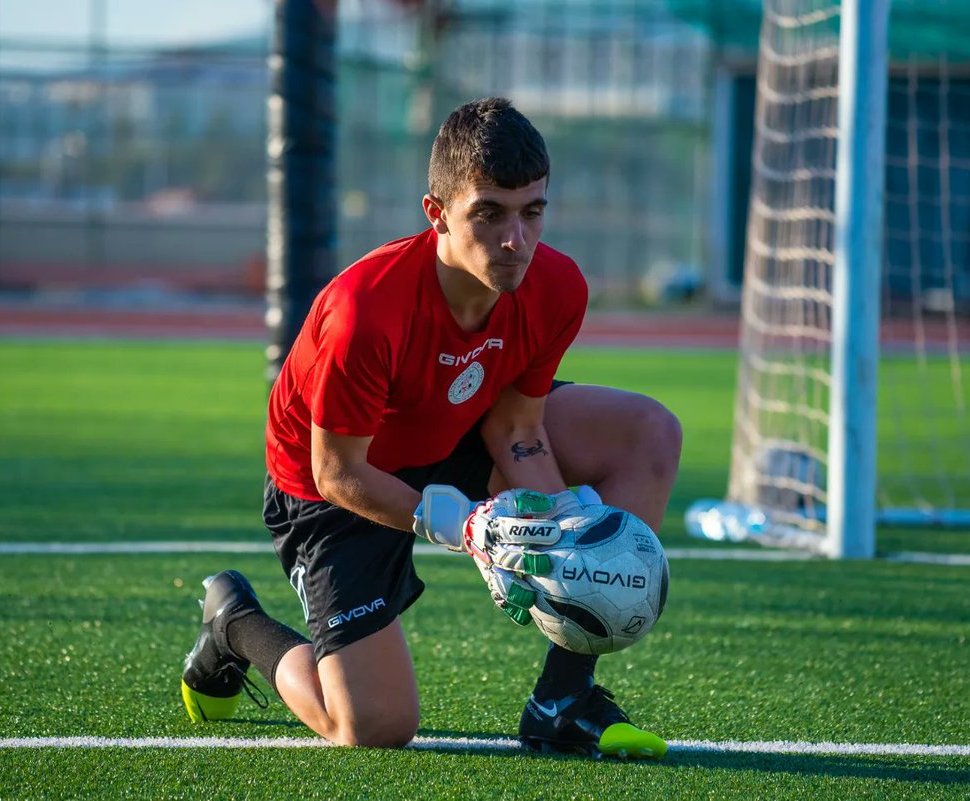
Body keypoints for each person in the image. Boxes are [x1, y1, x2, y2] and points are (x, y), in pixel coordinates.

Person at [179, 97, 682, 758]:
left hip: (458, 428)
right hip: (338, 483)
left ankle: (562, 700)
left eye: (533, 211)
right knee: (373, 726)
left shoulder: (556, 285)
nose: (516, 240)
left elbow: (518, 425)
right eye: (490, 214)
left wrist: (558, 534)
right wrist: (470, 528)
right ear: (437, 213)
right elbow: (337, 471)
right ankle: (235, 622)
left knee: (648, 432)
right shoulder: (364, 312)